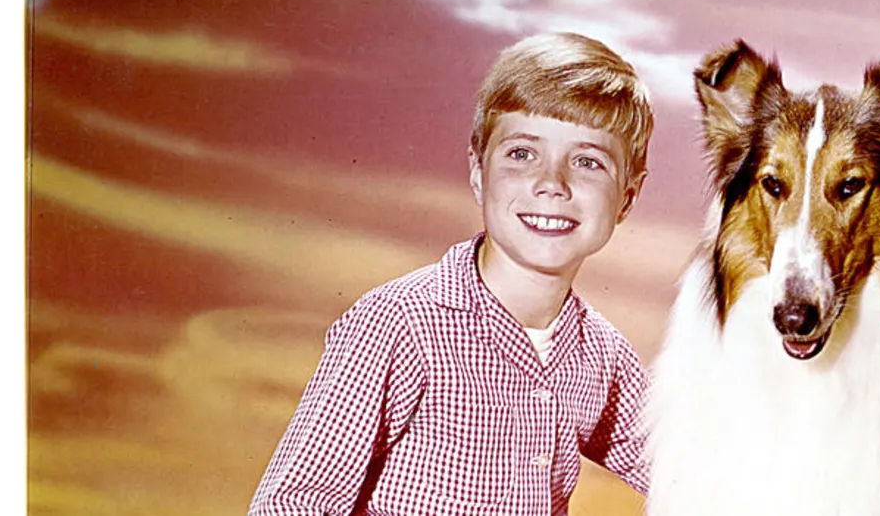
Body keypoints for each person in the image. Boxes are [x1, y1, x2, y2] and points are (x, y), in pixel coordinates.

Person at [247, 32, 655, 516]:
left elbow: (693, 464)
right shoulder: (396, 323)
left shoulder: (602, 354)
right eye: (522, 153)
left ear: (627, 197)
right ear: (478, 173)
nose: (551, 184)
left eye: (588, 162)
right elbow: (294, 503)